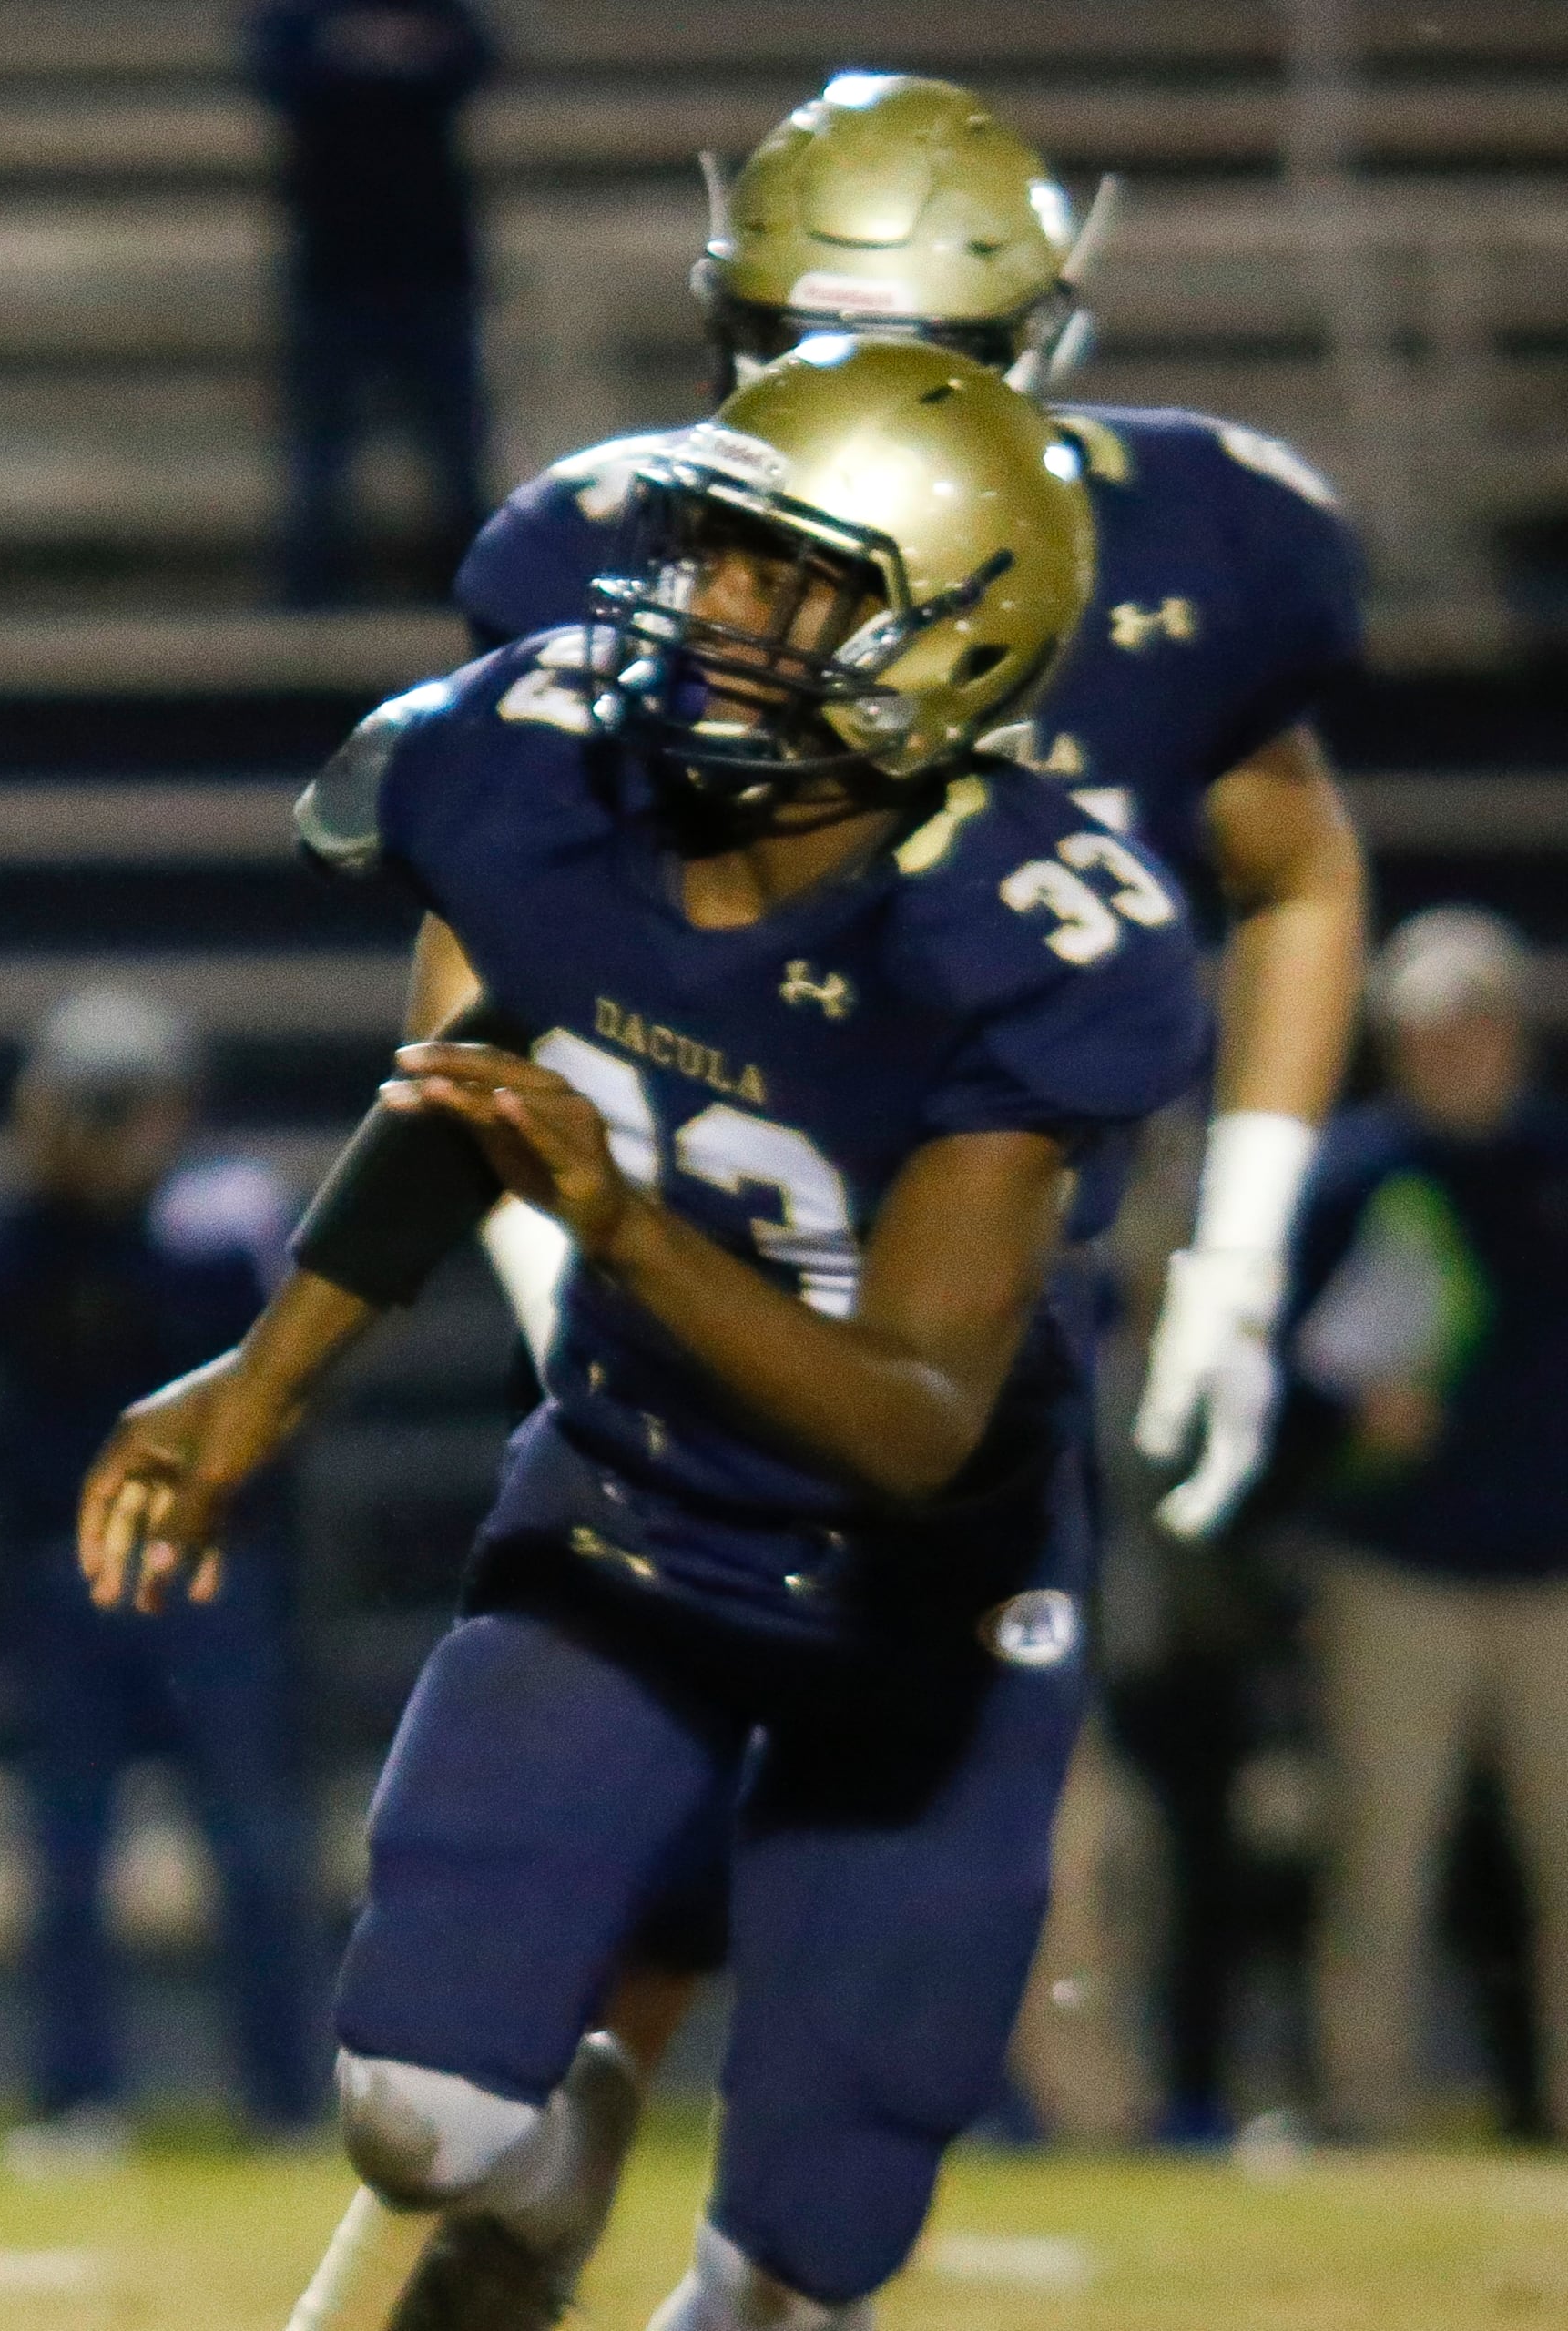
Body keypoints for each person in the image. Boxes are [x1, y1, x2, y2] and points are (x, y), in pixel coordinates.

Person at [354, 71, 1370, 2315]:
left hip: (960, 1332)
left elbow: (1289, 865)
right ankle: (517, 2174)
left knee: (868, 2001)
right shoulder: (625, 553)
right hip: (674, 1286)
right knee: (549, 1852)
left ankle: (753, 2218)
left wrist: (1243, 1241)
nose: (840, 421)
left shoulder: (1185, 563)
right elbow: (494, 898)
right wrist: (545, 1224)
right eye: (780, 352)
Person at [94, 338, 1206, 2331]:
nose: (708, 611)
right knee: (415, 2112)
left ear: (949, 634)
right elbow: (463, 1094)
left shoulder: (1011, 931)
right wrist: (250, 1385)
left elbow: (922, 1418)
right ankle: (540, 2186)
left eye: (784, 582)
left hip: (922, 1604)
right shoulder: (545, 775)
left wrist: (619, 1219)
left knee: (801, 2261)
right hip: (632, 1496)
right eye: (710, 556)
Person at [0, 989, 323, 2164]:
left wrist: (115, 1207)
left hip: (208, 1565)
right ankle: (78, 2102)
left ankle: (284, 2100)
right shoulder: (10, 1223)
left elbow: (256, 1318)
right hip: (62, 1570)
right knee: (69, 1854)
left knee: (253, 1846)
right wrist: (49, 1183)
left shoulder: (222, 1214)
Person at [1280, 906, 1568, 2143]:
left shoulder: (1559, 1165)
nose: (1459, 1053)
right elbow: (1268, 1364)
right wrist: (1343, 1410)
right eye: (1432, 1034)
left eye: (1478, 1028)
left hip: (1555, 1573)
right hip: (1393, 1567)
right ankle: (1363, 2109)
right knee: (1381, 1858)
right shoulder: (1348, 1176)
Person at [246, 0, 496, 606]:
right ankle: (314, 585)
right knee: (323, 447)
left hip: (428, 255)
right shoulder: (301, 15)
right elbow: (279, 70)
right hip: (337, 257)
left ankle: (463, 578)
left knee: (454, 443)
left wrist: (367, 54)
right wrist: (384, 55)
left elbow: (476, 59)